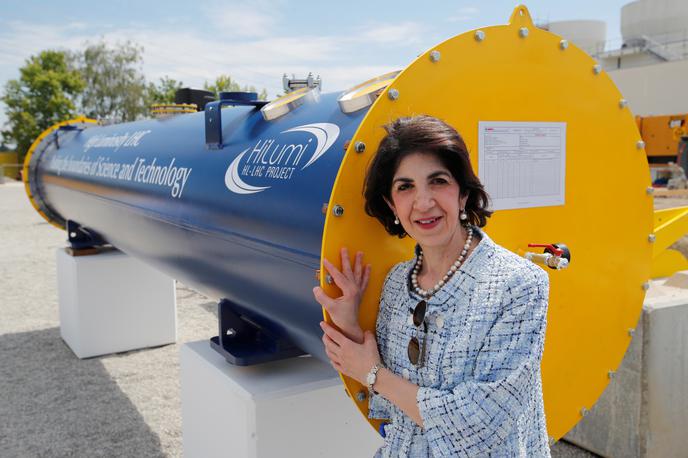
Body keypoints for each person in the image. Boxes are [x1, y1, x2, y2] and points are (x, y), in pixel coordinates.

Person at [312, 115, 550, 457]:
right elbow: (389, 400)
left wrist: (374, 374)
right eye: (405, 186)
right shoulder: (397, 282)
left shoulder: (518, 284)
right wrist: (350, 324)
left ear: (463, 194)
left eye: (437, 181)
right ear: (393, 205)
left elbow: (481, 425)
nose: (423, 202)